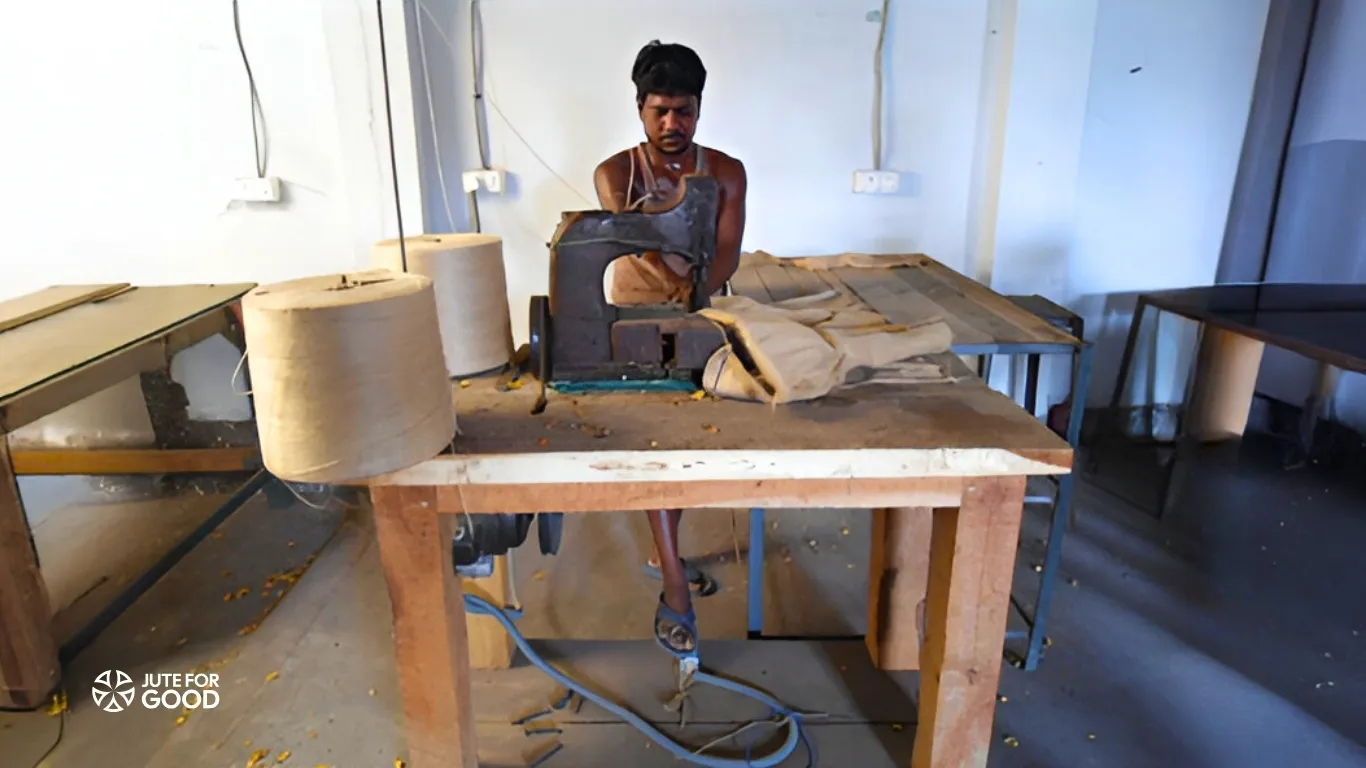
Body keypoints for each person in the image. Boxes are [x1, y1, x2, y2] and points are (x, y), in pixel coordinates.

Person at [592, 40, 747, 659]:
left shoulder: (727, 171)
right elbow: (642, 244)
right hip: (634, 317)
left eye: (683, 111)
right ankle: (675, 583)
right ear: (639, 109)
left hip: (704, 311)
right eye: (659, 111)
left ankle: (666, 552)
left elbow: (728, 248)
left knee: (691, 444)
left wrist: (699, 296)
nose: (672, 123)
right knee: (656, 448)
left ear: (700, 109)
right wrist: (680, 288)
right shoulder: (616, 174)